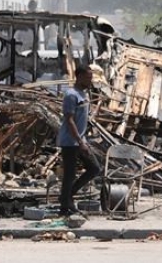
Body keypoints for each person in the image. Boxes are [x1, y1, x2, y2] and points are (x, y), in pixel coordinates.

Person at [56, 65, 101, 217]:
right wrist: (79, 141)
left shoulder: (84, 94)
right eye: (88, 77)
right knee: (70, 174)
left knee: (94, 168)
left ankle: (67, 197)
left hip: (80, 140)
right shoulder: (71, 95)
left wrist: (84, 139)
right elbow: (69, 120)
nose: (90, 80)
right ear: (79, 76)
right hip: (70, 141)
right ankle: (64, 206)